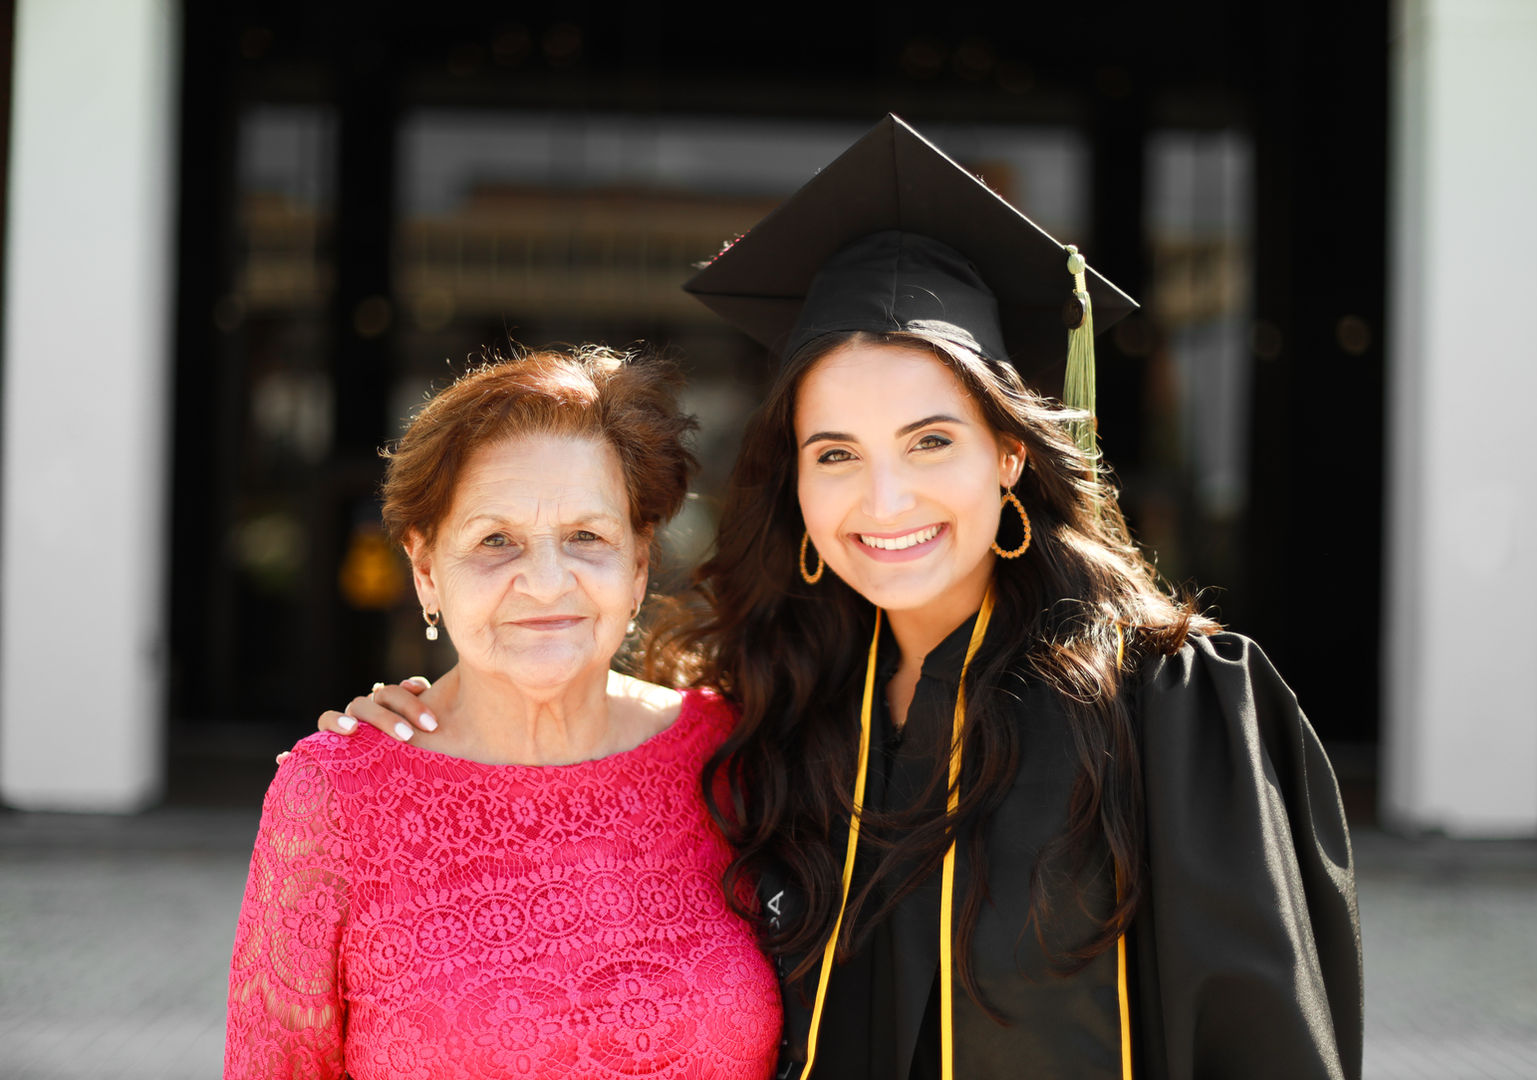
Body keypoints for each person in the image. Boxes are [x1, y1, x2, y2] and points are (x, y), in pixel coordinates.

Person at [331, 117, 1362, 1079]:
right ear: (796, 484)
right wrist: (416, 734)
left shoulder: (1167, 709)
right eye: (836, 454)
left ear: (1011, 453)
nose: (884, 499)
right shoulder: (785, 716)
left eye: (931, 441)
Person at [226, 346, 781, 1080]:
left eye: (587, 537)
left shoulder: (738, 756)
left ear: (640, 564)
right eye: (496, 541)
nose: (547, 584)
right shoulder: (335, 794)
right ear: (426, 569)